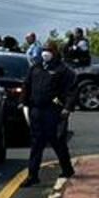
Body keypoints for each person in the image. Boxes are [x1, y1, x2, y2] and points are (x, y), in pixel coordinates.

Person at [22, 44, 76, 187]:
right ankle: (32, 175)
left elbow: (70, 91)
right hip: (37, 110)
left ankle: (67, 169)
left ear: (55, 53)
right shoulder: (36, 68)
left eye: (49, 51)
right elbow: (27, 85)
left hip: (54, 110)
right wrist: (24, 102)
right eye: (45, 50)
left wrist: (67, 108)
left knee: (57, 141)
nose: (46, 53)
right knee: (36, 144)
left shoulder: (63, 70)